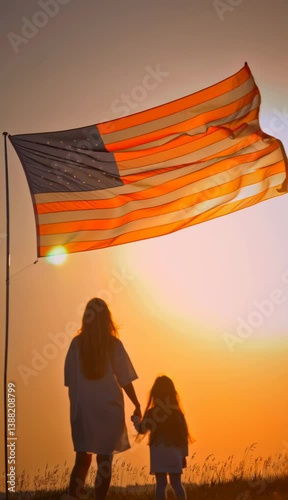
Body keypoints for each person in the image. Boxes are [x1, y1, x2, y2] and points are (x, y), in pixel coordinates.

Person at [64, 297, 141, 500]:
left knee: (82, 459)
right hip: (109, 410)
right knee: (104, 460)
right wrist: (137, 403)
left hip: (82, 410)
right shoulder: (114, 345)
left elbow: (70, 381)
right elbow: (125, 379)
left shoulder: (76, 345)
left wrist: (80, 404)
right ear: (107, 318)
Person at [131, 375, 194, 500]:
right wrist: (183, 455)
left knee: (161, 484)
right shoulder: (177, 413)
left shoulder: (152, 413)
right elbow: (183, 437)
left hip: (158, 453)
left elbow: (141, 429)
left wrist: (136, 419)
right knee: (176, 484)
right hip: (174, 453)